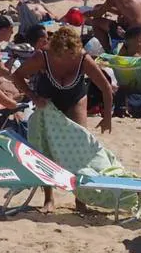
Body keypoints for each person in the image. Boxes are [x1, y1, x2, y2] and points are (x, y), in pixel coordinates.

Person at [11, 25, 116, 213]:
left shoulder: (83, 59)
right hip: (47, 100)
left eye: (70, 54)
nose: (65, 58)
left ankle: (80, 199)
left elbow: (106, 88)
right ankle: (49, 199)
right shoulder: (42, 57)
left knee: (79, 146)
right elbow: (17, 76)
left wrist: (107, 117)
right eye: (60, 54)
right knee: (44, 148)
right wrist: (33, 97)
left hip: (74, 99)